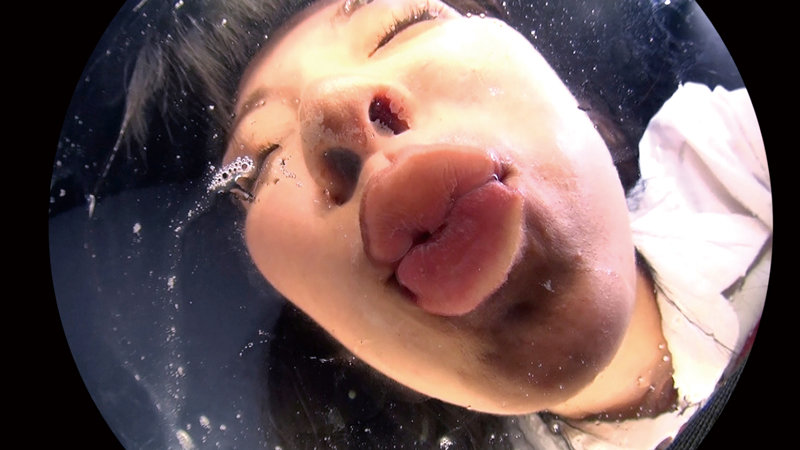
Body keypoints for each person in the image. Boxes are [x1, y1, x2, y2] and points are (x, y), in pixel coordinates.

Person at [54, 0, 770, 448]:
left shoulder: (729, 156)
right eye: (263, 160)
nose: (337, 107)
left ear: (570, 99)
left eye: (404, 24)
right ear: (335, 340)